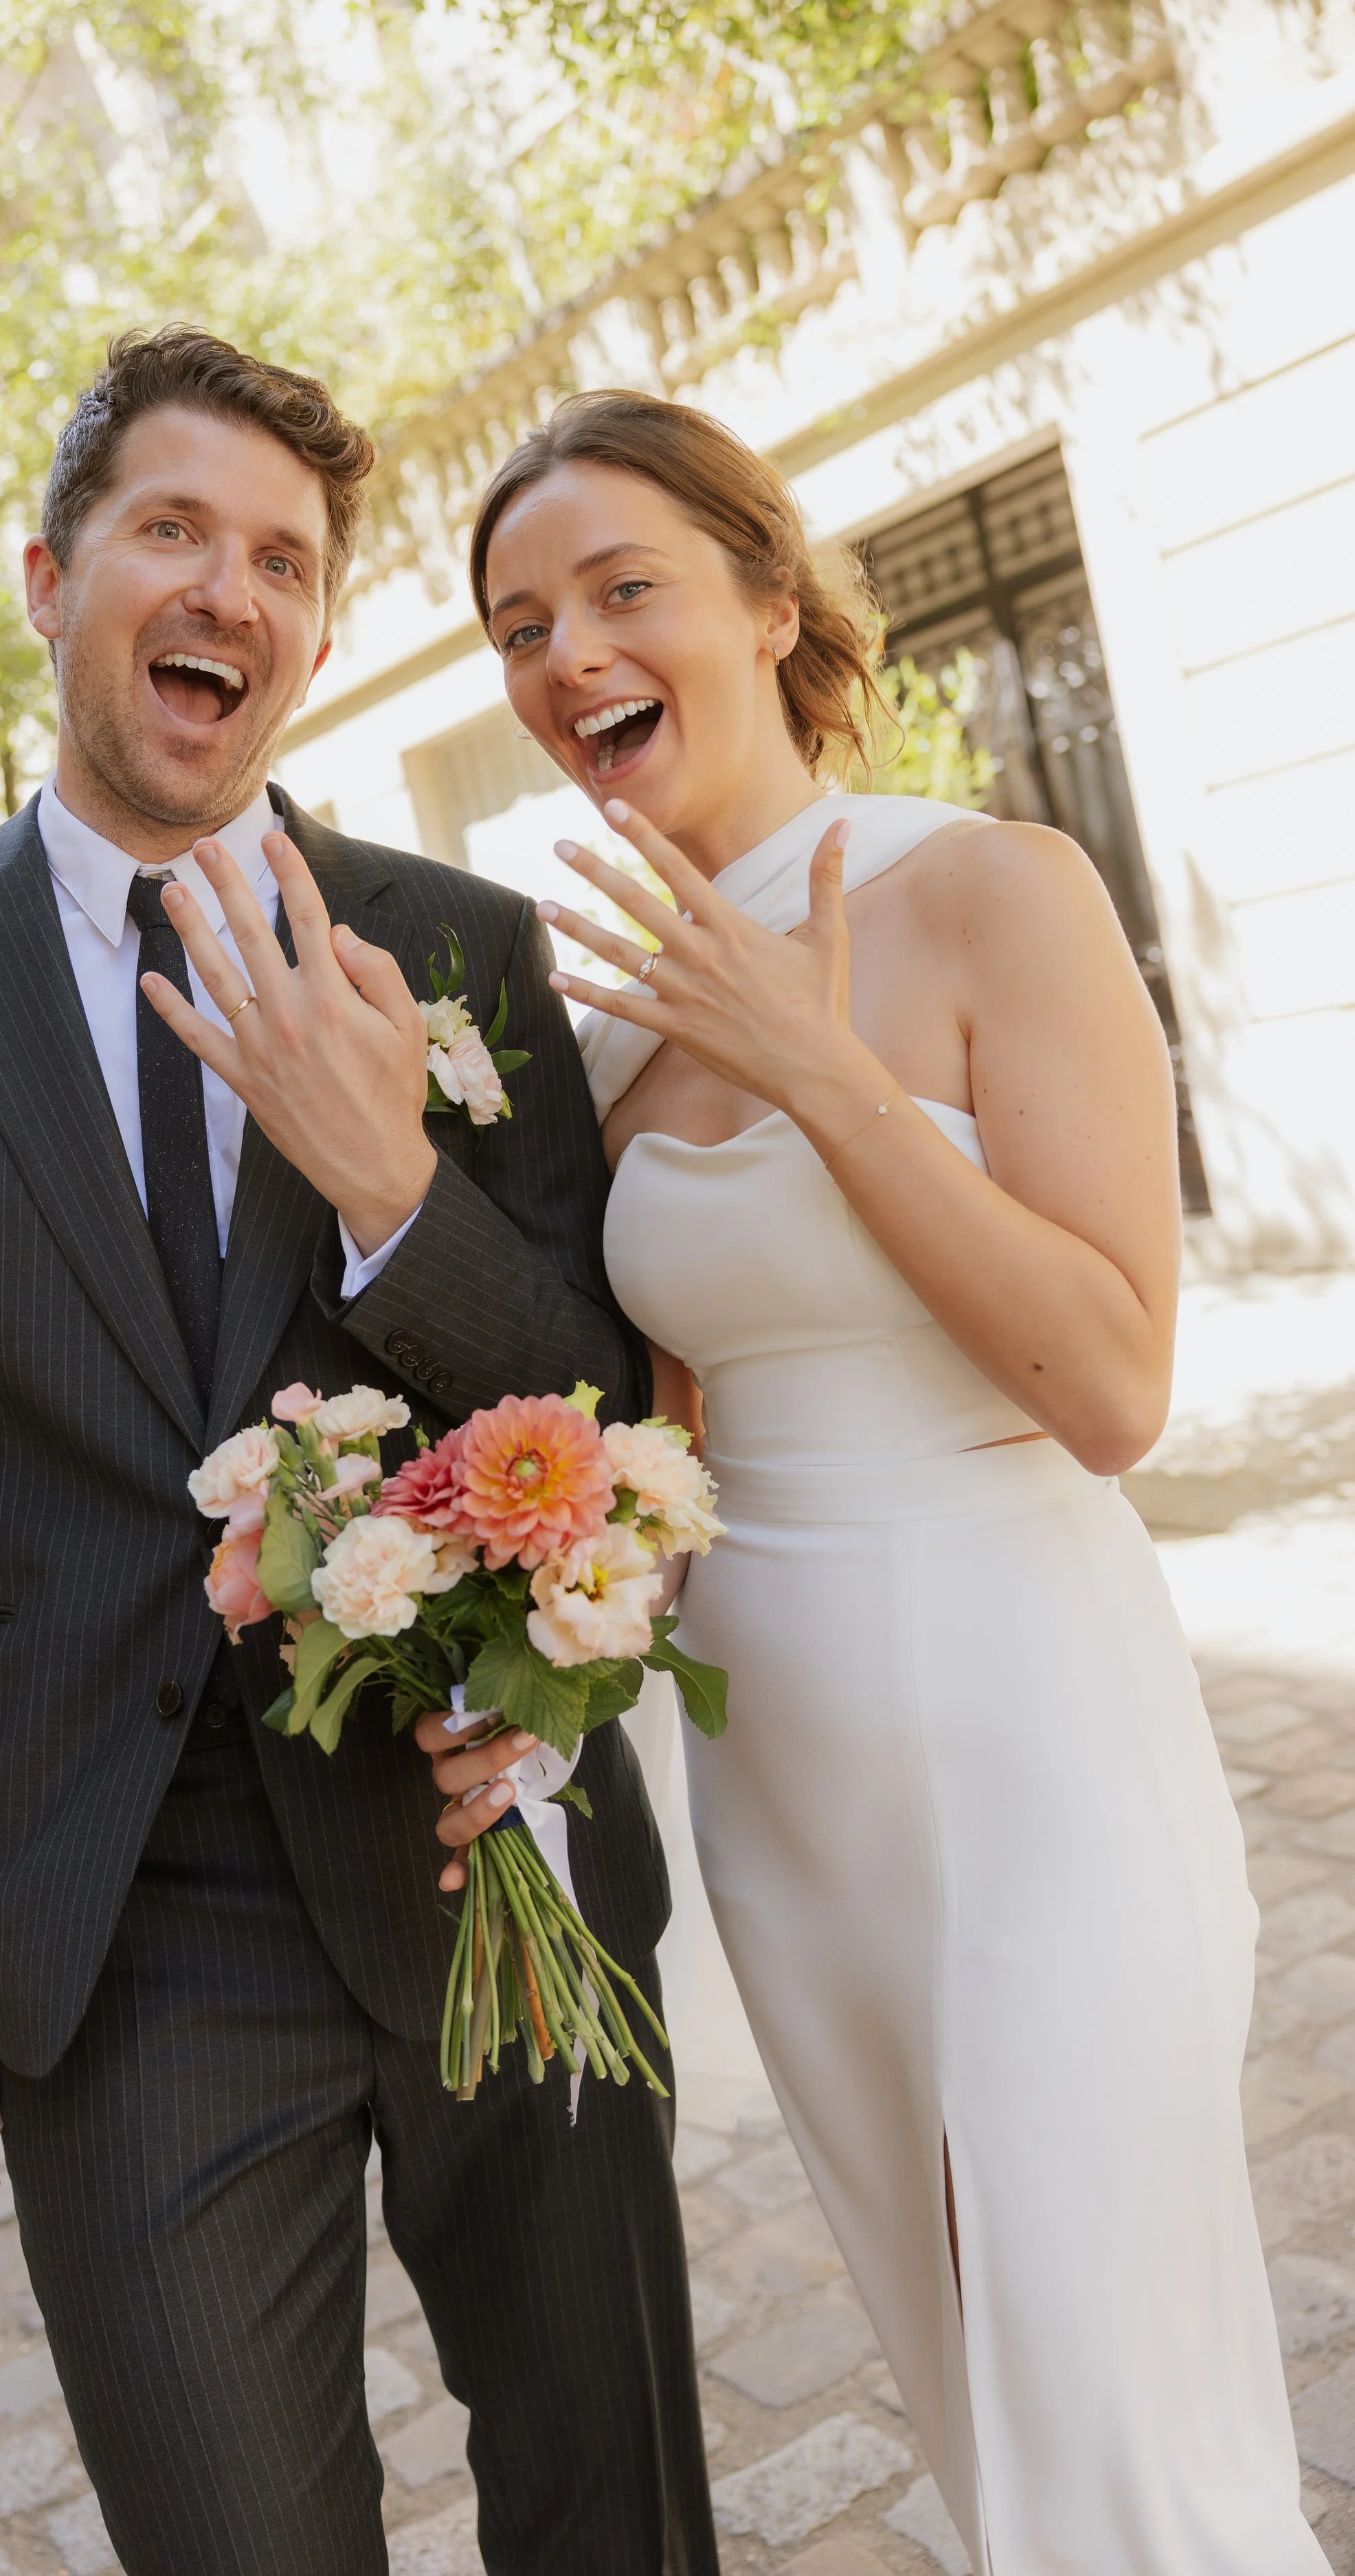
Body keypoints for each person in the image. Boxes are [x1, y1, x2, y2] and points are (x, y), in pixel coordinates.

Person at [0, 332, 717, 2576]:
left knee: (613, 2511)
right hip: (116, 1914)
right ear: (50, 579)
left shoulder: (453, 944)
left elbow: (596, 1404)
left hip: (491, 1841)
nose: (233, 588)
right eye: (173, 529)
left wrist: (394, 1191)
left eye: (285, 556)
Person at [425, 387, 1328, 2574]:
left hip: (1037, 1721)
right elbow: (664, 1445)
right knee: (957, 2356)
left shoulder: (993, 889)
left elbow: (1112, 1381)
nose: (565, 655)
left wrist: (823, 1071)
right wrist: (507, 1658)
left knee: (1101, 2360)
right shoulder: (607, 1022)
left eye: (619, 589)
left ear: (764, 599)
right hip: (785, 1772)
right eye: (519, 623)